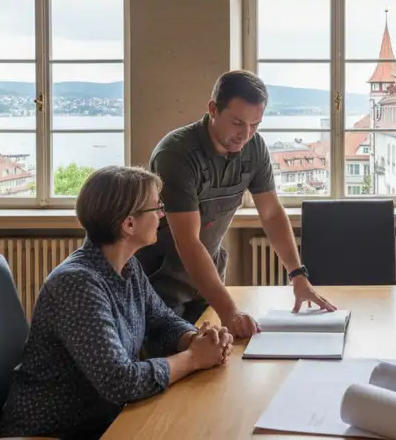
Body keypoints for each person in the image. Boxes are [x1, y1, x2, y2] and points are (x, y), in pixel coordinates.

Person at [0, 166, 233, 440]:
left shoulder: (127, 266)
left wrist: (196, 339)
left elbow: (161, 320)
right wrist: (193, 359)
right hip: (52, 432)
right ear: (128, 224)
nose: (161, 215)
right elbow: (121, 382)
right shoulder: (77, 284)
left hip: (104, 421)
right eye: (156, 208)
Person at [135, 70, 336, 339]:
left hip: (209, 282)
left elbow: (271, 212)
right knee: (171, 365)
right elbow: (188, 241)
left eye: (255, 124)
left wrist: (298, 275)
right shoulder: (176, 154)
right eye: (237, 122)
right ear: (213, 109)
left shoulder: (254, 148)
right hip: (161, 285)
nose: (245, 134)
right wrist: (229, 311)